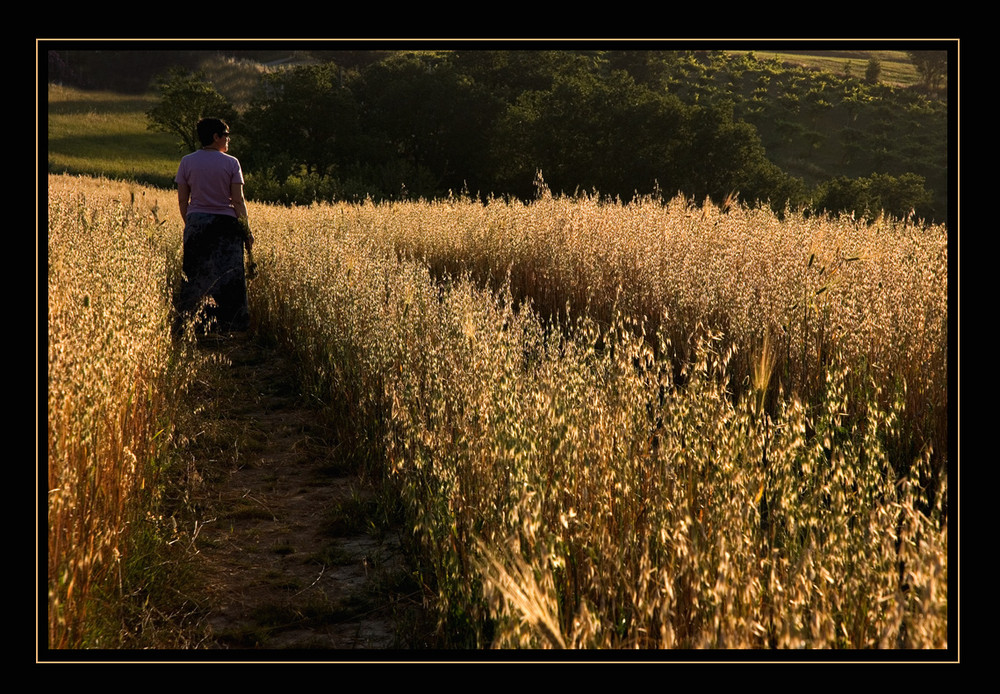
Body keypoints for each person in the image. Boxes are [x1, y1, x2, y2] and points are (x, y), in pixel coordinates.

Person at [175, 117, 254, 334]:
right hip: (227, 226)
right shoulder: (232, 163)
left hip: (197, 223)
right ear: (215, 137)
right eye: (225, 135)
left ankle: (194, 327)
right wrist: (246, 231)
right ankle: (231, 327)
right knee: (229, 277)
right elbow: (238, 201)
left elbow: (183, 200)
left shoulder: (187, 161)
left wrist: (192, 222)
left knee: (196, 277)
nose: (228, 139)